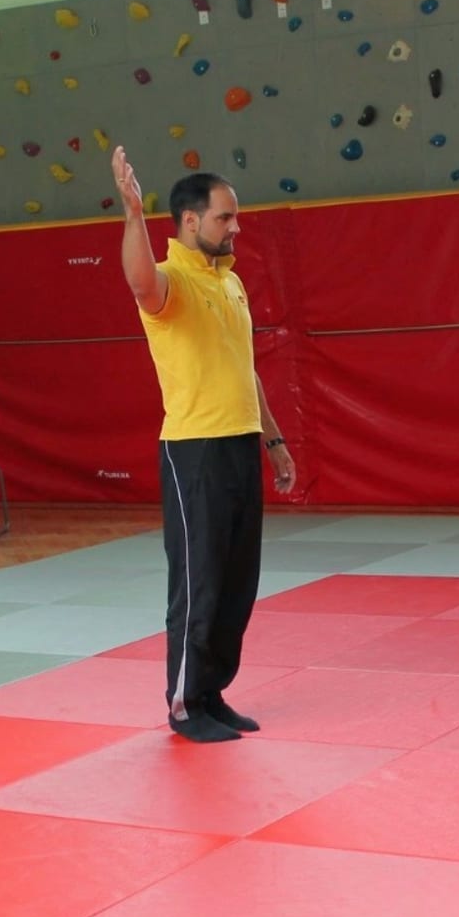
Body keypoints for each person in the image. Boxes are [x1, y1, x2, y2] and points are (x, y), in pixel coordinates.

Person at [111, 146, 298, 743]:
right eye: (225, 217)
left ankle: (212, 692)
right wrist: (133, 214)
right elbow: (139, 281)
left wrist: (273, 440)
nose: (236, 226)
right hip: (195, 451)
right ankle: (184, 704)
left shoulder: (232, 282)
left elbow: (246, 369)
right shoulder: (174, 283)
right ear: (190, 221)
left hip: (241, 443)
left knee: (238, 582)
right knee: (199, 584)